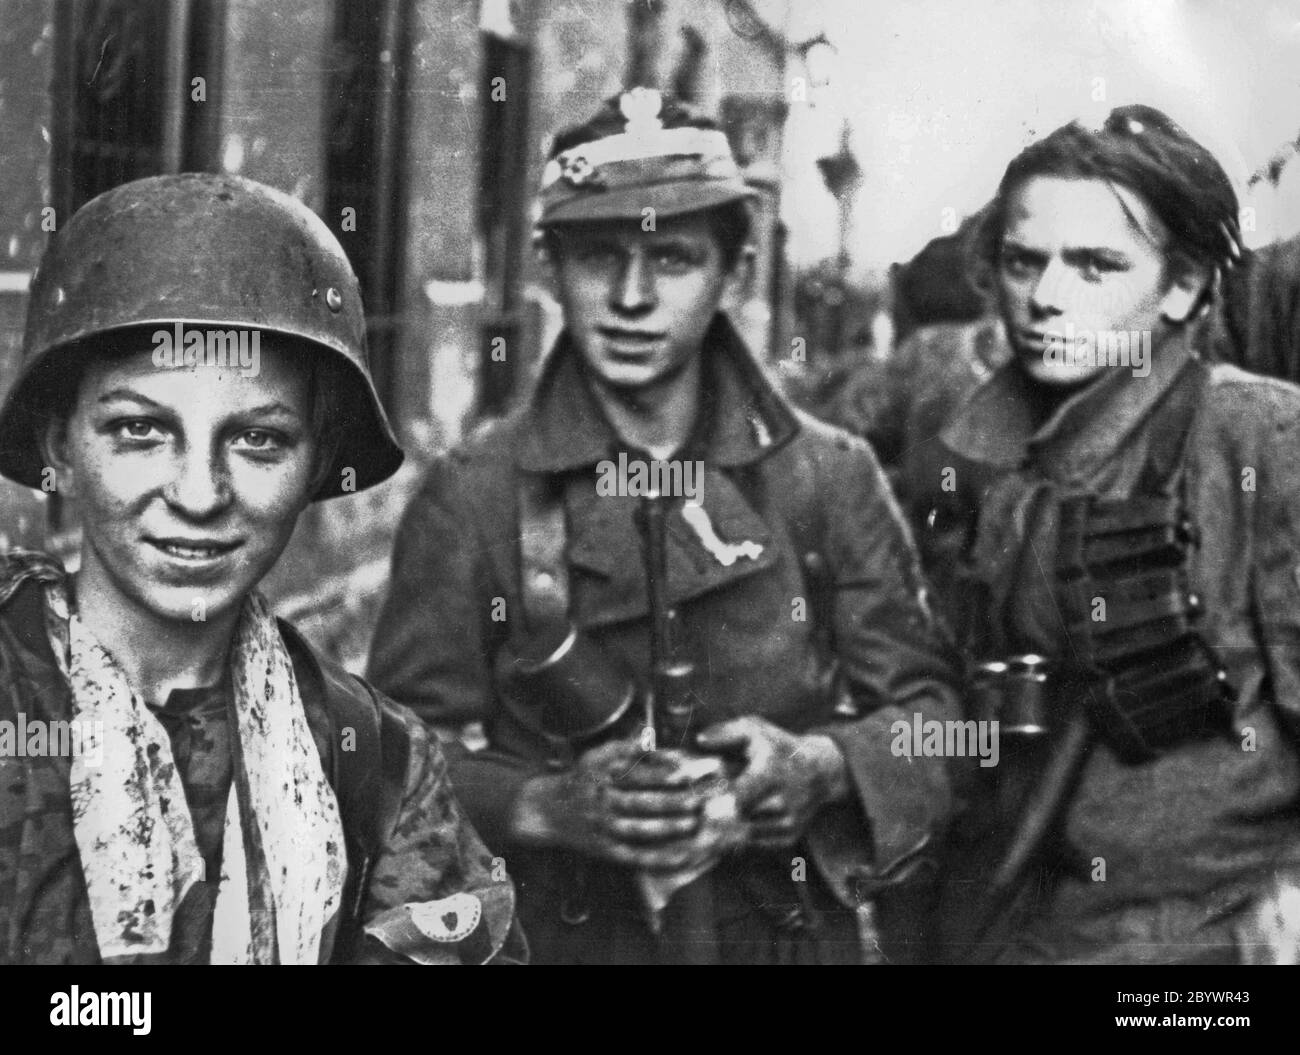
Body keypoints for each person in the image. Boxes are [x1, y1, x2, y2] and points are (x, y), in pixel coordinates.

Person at [367, 88, 961, 965]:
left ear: (734, 270)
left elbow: (938, 721)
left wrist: (819, 766)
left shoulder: (825, 476)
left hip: (777, 936)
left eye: (674, 258)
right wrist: (549, 805)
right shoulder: (476, 493)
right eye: (599, 257)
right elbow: (384, 762)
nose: (633, 298)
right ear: (547, 267)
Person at [0, 173, 524, 965]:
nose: (200, 494)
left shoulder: (371, 757)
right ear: (59, 449)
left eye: (259, 440)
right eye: (141, 429)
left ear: (319, 463)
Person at [906, 104, 1300, 964]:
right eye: (1024, 261)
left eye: (1096, 266)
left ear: (1185, 287)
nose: (1047, 297)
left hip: (1201, 957)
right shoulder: (982, 459)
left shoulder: (1260, 438)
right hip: (1017, 924)